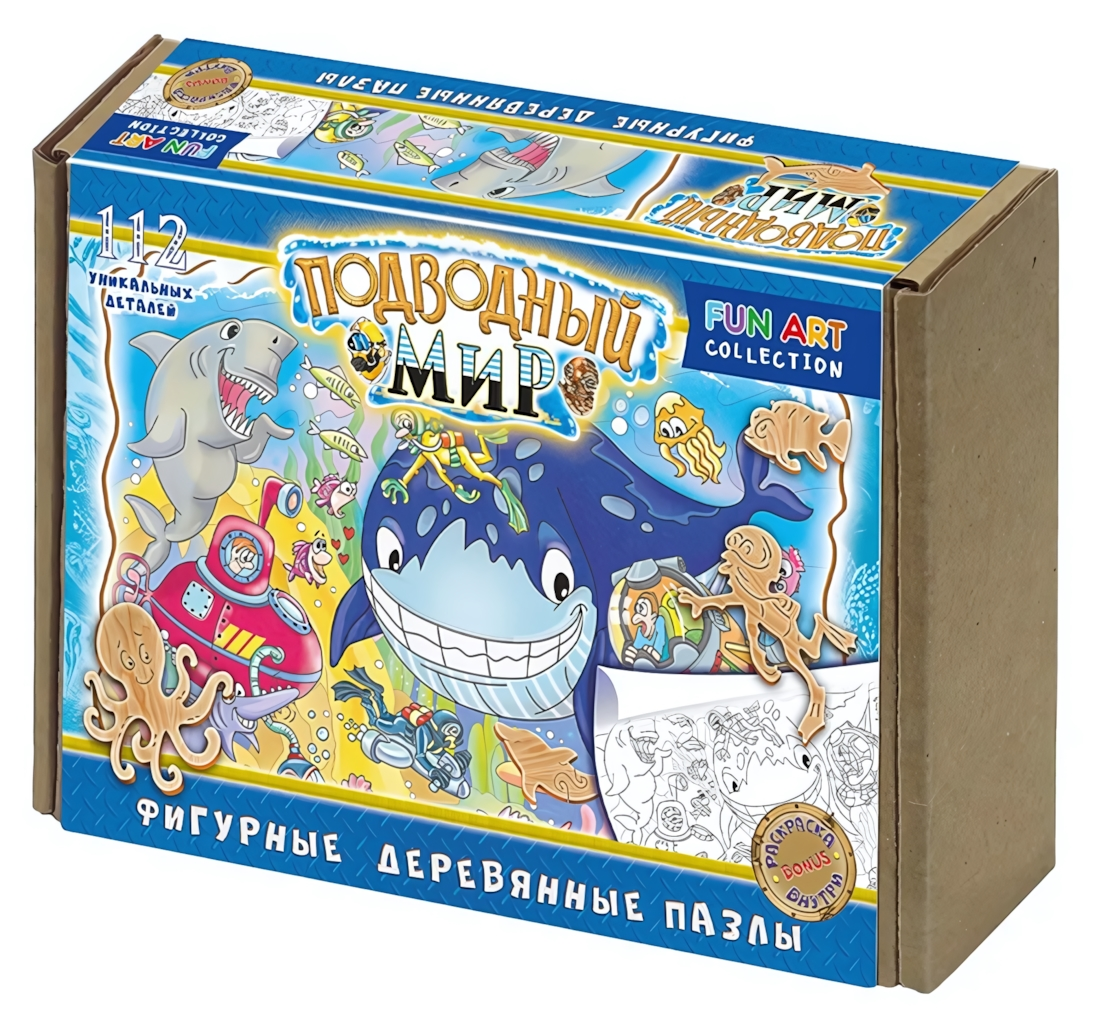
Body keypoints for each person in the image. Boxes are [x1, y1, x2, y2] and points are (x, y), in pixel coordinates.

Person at [624, 592, 669, 665]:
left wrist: (654, 653)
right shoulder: (640, 631)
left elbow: (660, 643)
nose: (637, 616)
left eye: (642, 608)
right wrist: (631, 654)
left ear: (653, 616)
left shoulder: (659, 621)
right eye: (637, 610)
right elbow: (636, 650)